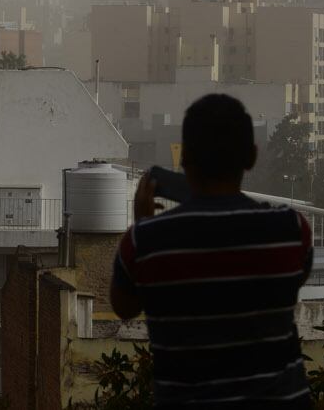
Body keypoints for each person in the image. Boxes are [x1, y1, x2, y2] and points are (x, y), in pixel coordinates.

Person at [109, 93, 313, 408]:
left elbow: (124, 308)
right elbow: (290, 282)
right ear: (252, 157)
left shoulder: (146, 242)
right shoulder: (291, 230)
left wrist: (143, 226)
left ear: (185, 158)